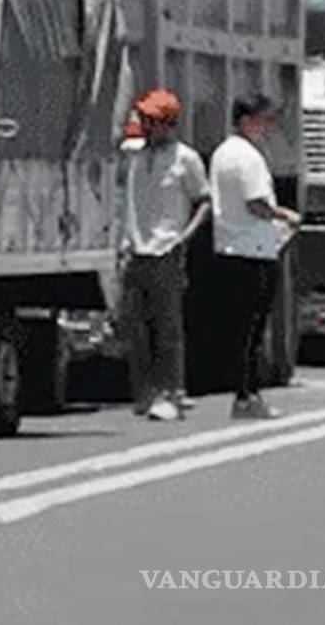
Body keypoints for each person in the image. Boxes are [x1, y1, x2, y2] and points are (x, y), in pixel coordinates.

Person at [120, 89, 211, 422]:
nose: (145, 125)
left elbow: (204, 199)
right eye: (143, 119)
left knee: (167, 327)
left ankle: (171, 392)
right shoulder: (132, 154)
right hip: (135, 248)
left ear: (168, 123)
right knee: (135, 327)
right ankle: (144, 392)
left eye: (152, 121)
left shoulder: (185, 158)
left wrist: (183, 238)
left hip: (165, 249)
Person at [210, 95, 301, 420]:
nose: (269, 128)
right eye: (265, 121)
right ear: (247, 120)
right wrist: (285, 215)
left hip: (229, 247)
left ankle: (245, 395)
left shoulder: (222, 152)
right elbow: (256, 203)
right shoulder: (248, 157)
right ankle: (247, 396)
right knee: (252, 329)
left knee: (239, 328)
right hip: (253, 250)